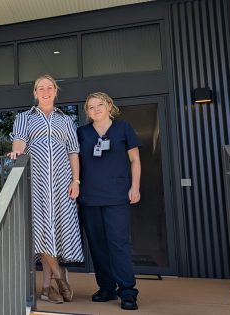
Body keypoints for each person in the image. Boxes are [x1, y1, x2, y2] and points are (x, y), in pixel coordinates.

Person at [8, 74, 82, 304]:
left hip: (62, 182)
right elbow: (19, 141)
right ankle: (60, 278)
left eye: (50, 87)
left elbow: (73, 152)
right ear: (35, 92)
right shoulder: (24, 117)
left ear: (56, 91)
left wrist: (76, 181)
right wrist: (16, 151)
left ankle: (47, 288)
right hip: (36, 182)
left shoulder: (66, 120)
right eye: (41, 88)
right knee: (42, 230)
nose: (46, 91)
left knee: (55, 231)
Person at [77, 92, 141, 310]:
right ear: (87, 112)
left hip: (117, 196)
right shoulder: (82, 133)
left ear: (109, 106)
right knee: (97, 245)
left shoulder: (123, 128)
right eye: (91, 107)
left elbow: (135, 160)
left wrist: (135, 187)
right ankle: (106, 287)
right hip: (89, 197)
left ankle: (127, 291)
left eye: (100, 105)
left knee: (119, 244)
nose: (96, 109)